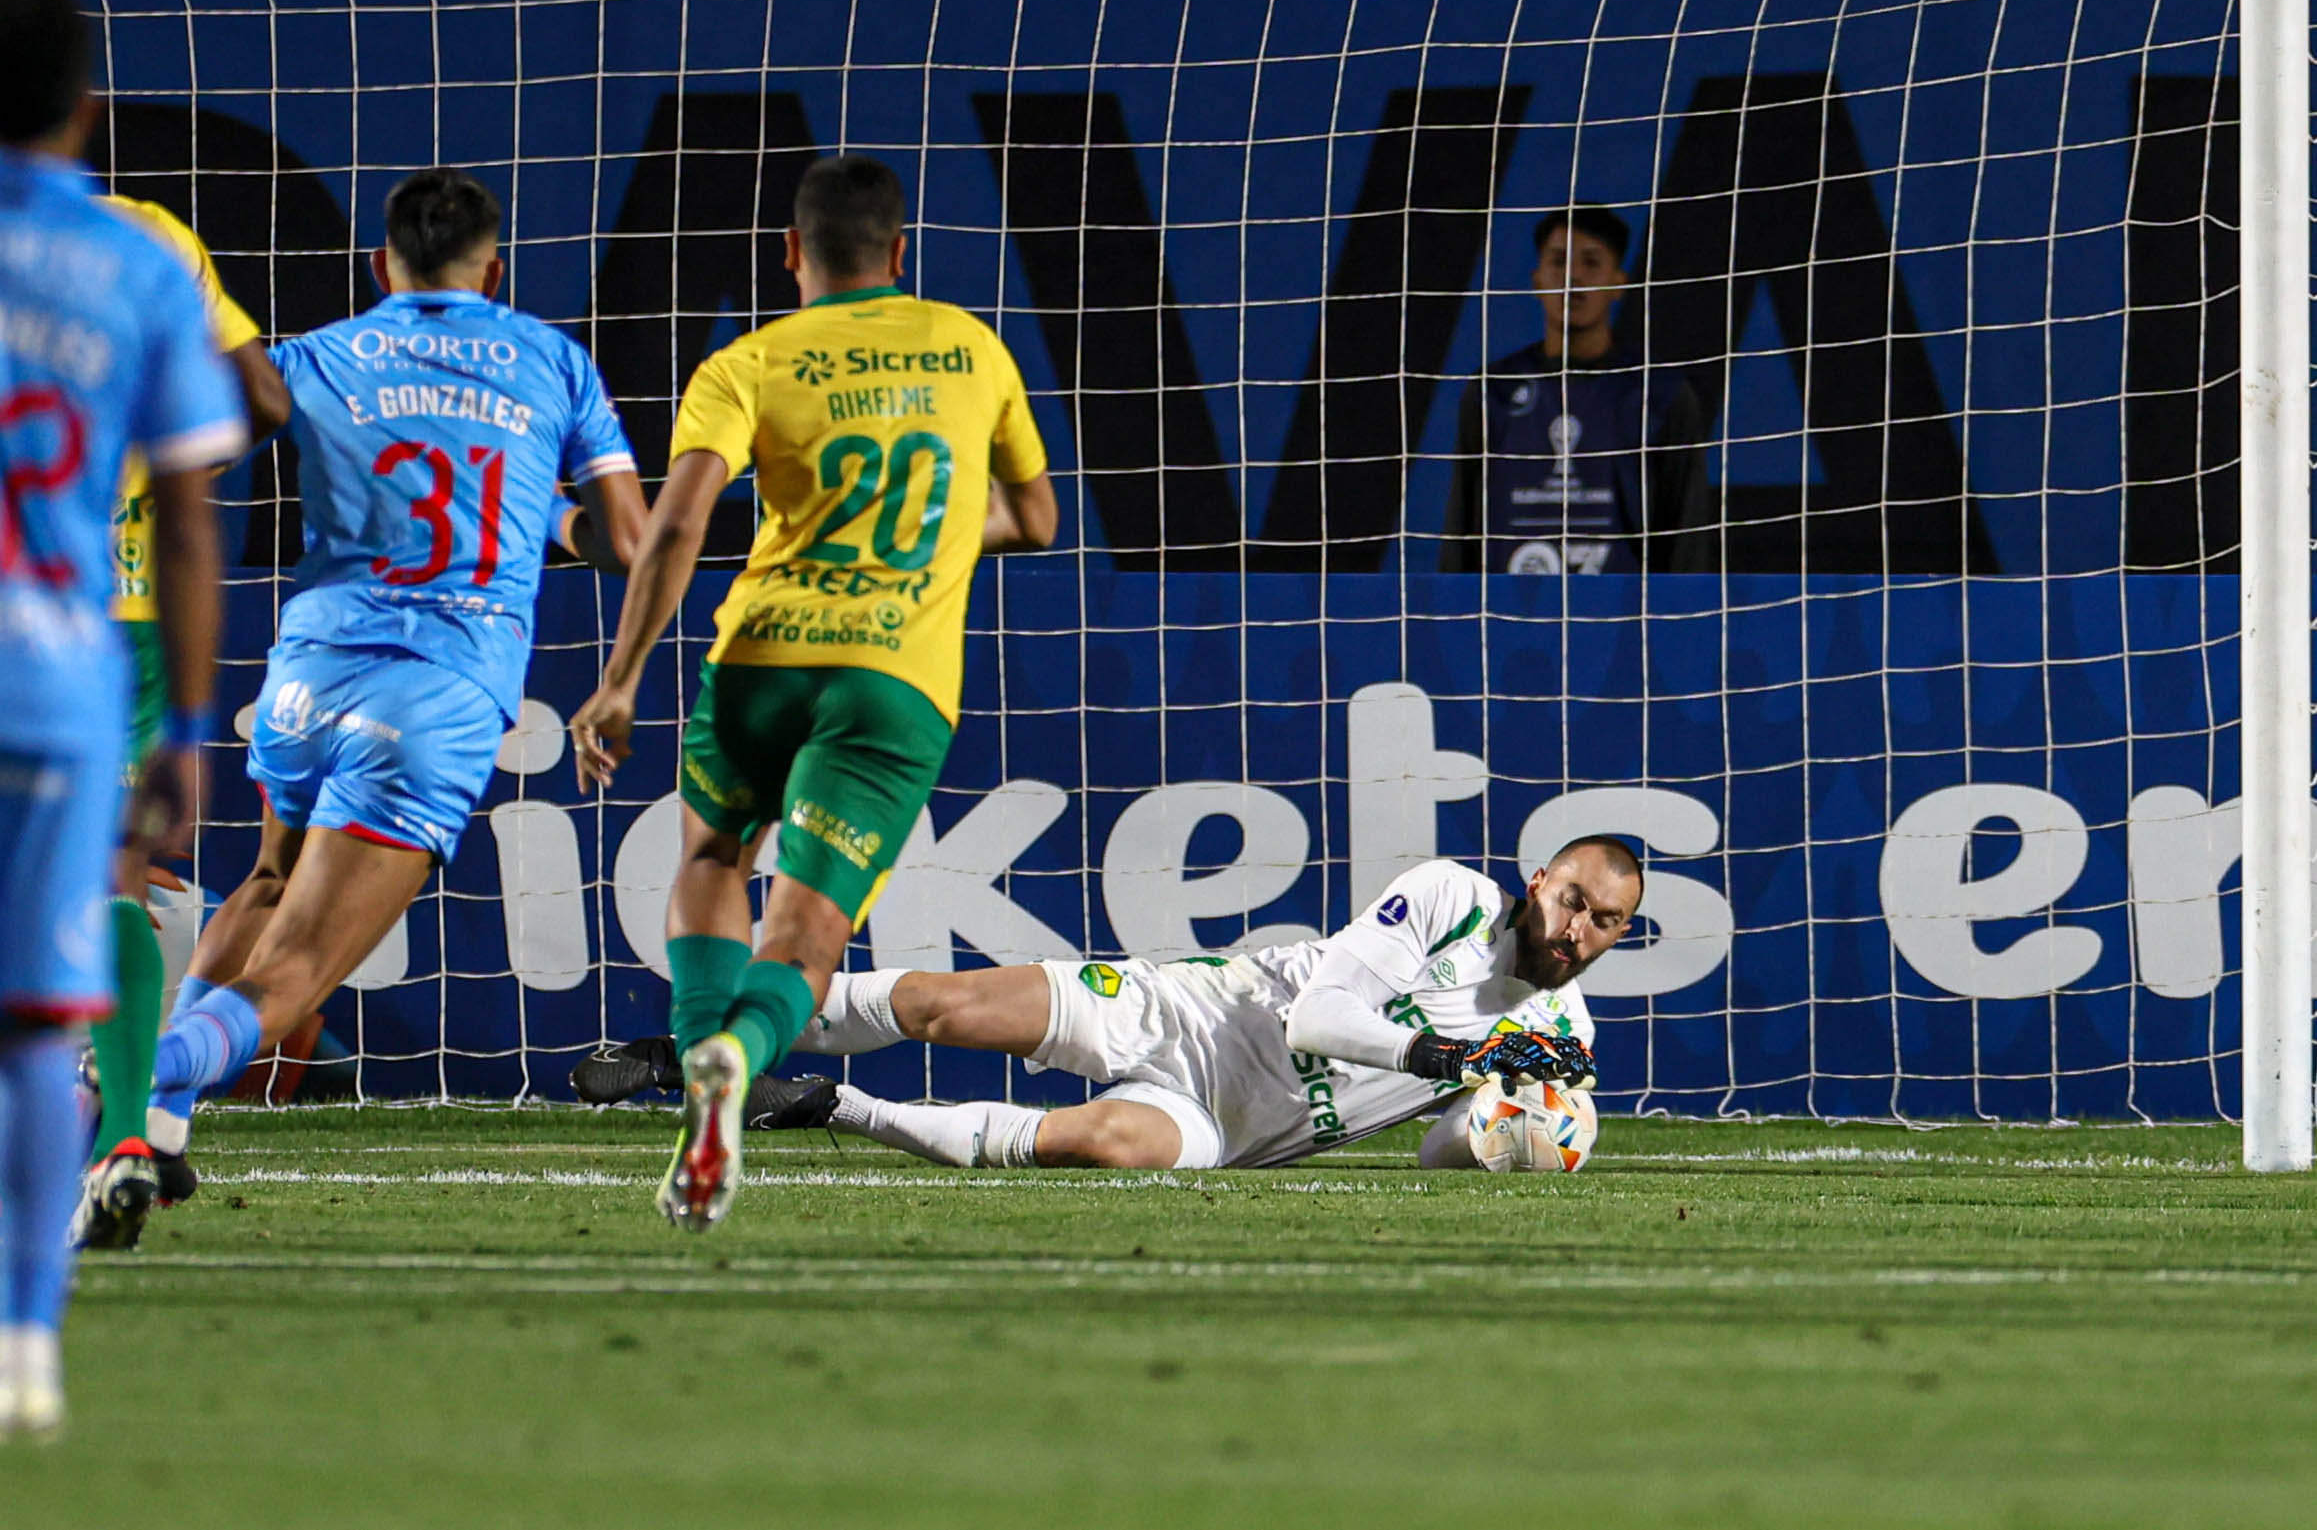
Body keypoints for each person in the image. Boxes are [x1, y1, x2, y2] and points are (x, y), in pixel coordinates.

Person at [136, 167, 647, 1209]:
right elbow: (627, 540)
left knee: (267, 888)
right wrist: (552, 521)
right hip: (435, 693)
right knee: (300, 975)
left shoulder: (319, 357)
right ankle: (134, 1080)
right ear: (495, 269)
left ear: (381, 266)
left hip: (305, 678)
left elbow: (215, 444)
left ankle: (157, 1126)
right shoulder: (551, 361)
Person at [568, 154, 1057, 1231]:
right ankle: (737, 1063)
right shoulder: (970, 347)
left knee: (708, 856)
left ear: (790, 253)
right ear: (901, 250)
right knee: (801, 942)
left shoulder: (747, 361)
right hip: (892, 680)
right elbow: (1035, 516)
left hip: (761, 655)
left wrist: (619, 680)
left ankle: (702, 1059)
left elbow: (680, 524)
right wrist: (932, 541)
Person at [575, 841, 1637, 1174]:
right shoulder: (1452, 896)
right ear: (1536, 879)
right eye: (1571, 898)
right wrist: (1456, 1058)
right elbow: (1318, 1018)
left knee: (1110, 1144)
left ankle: (822, 1106)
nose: (1576, 928)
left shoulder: (1562, 1041)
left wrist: (1516, 1130)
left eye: (1602, 923)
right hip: (1194, 1016)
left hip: (1237, 1128)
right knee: (944, 1004)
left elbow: (1440, 1155)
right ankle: (687, 1046)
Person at [0, 0, 241, 1437]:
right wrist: (188, 731)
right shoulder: (138, 258)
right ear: (87, 113)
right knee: (47, 1007)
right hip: (63, 666)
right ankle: (27, 1333)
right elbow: (201, 514)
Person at [74, 194, 291, 1250]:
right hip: (121, 612)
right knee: (121, 878)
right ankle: (126, 1133)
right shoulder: (151, 236)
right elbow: (263, 394)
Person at [1442, 206, 1714, 574]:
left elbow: (1688, 536)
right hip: (1509, 621)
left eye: (1591, 262)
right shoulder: (1494, 391)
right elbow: (1462, 525)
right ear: (1537, 280)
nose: (1574, 277)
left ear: (1619, 282)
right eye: (1559, 261)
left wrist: (1681, 624)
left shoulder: (1661, 393)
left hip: (1624, 622)